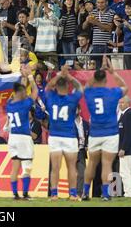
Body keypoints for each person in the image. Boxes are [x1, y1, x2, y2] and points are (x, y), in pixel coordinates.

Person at [82, 56, 128, 201]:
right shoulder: (112, 92)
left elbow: (85, 87)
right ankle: (106, 195)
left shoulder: (89, 93)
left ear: (95, 80)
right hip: (110, 133)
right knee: (107, 164)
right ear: (106, 80)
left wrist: (97, 72)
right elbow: (125, 87)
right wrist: (112, 72)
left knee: (92, 164)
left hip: (95, 132)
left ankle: (84, 192)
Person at [45, 65, 83, 201]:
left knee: (55, 168)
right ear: (68, 86)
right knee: (71, 167)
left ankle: (54, 194)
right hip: (69, 136)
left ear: (56, 87)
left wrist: (60, 75)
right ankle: (73, 194)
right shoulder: (72, 99)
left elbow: (48, 87)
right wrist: (69, 76)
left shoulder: (50, 97)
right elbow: (79, 88)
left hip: (54, 136)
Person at [4, 65, 38, 200]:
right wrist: (30, 76)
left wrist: (23, 77)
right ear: (20, 93)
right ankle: (25, 193)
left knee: (15, 167)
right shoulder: (25, 103)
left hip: (12, 138)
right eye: (24, 92)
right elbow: (35, 92)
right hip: (24, 137)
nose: (26, 93)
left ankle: (14, 194)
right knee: (27, 167)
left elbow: (20, 90)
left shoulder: (9, 103)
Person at [117, 96, 131, 198]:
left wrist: (123, 148)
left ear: (128, 103)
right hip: (127, 149)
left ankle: (128, 194)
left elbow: (129, 134)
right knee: (129, 172)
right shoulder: (124, 115)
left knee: (125, 172)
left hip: (127, 150)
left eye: (122, 102)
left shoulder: (129, 114)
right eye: (119, 103)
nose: (120, 104)